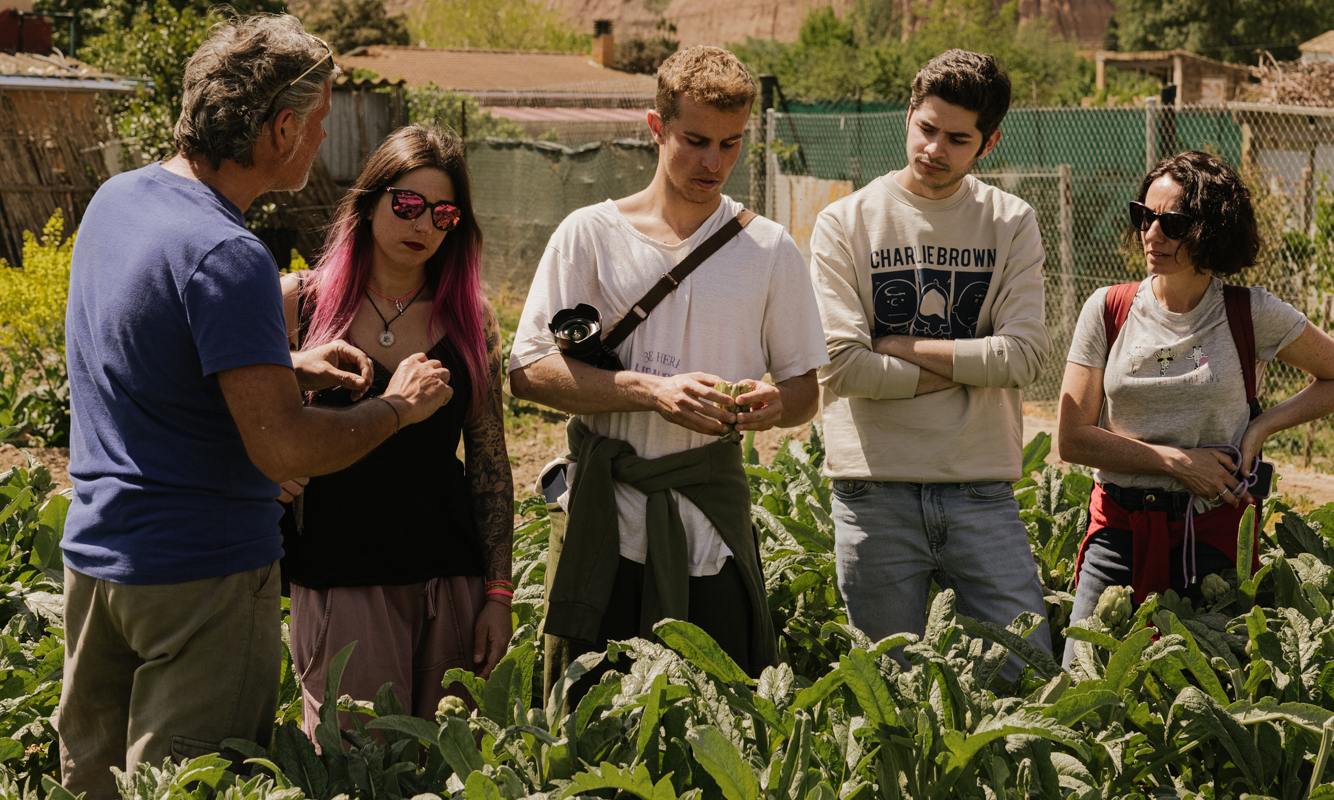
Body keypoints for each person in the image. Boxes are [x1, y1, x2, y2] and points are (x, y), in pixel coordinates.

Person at [59, 16, 452, 798]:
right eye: (318, 122)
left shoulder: (118, 201)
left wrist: (284, 367)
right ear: (280, 129)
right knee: (186, 784)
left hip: (99, 560)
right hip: (198, 578)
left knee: (93, 782)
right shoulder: (228, 253)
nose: (321, 138)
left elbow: (149, 362)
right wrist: (399, 407)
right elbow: (286, 452)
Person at [508, 46, 828, 695]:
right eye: (696, 140)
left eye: (732, 144)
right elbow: (528, 372)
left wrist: (773, 405)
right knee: (588, 710)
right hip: (605, 513)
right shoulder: (589, 234)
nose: (714, 162)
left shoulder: (768, 249)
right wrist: (651, 393)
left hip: (709, 516)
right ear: (657, 128)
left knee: (722, 711)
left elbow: (804, 391)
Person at [807, 49, 1052, 676]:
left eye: (957, 138)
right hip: (873, 488)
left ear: (988, 142)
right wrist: (972, 362)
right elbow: (840, 368)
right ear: (909, 115)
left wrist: (900, 347)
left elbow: (1024, 356)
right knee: (891, 699)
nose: (935, 148)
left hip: (979, 487)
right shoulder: (845, 222)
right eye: (926, 128)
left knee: (1021, 678)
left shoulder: (1010, 222)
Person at [1057, 150, 1334, 668]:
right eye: (1145, 215)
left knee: (1207, 701)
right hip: (1118, 532)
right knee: (1084, 685)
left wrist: (1261, 427)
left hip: (1212, 534)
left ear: (1211, 230)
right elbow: (1071, 438)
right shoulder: (1108, 309)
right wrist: (1173, 461)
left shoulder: (1248, 312)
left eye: (1172, 222)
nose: (1152, 233)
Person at [279, 125, 513, 732]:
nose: (423, 227)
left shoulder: (469, 318)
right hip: (340, 574)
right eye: (407, 205)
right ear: (368, 202)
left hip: (449, 579)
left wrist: (498, 594)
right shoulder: (298, 304)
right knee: (351, 765)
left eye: (443, 214)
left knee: (444, 766)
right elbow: (245, 423)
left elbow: (490, 464)